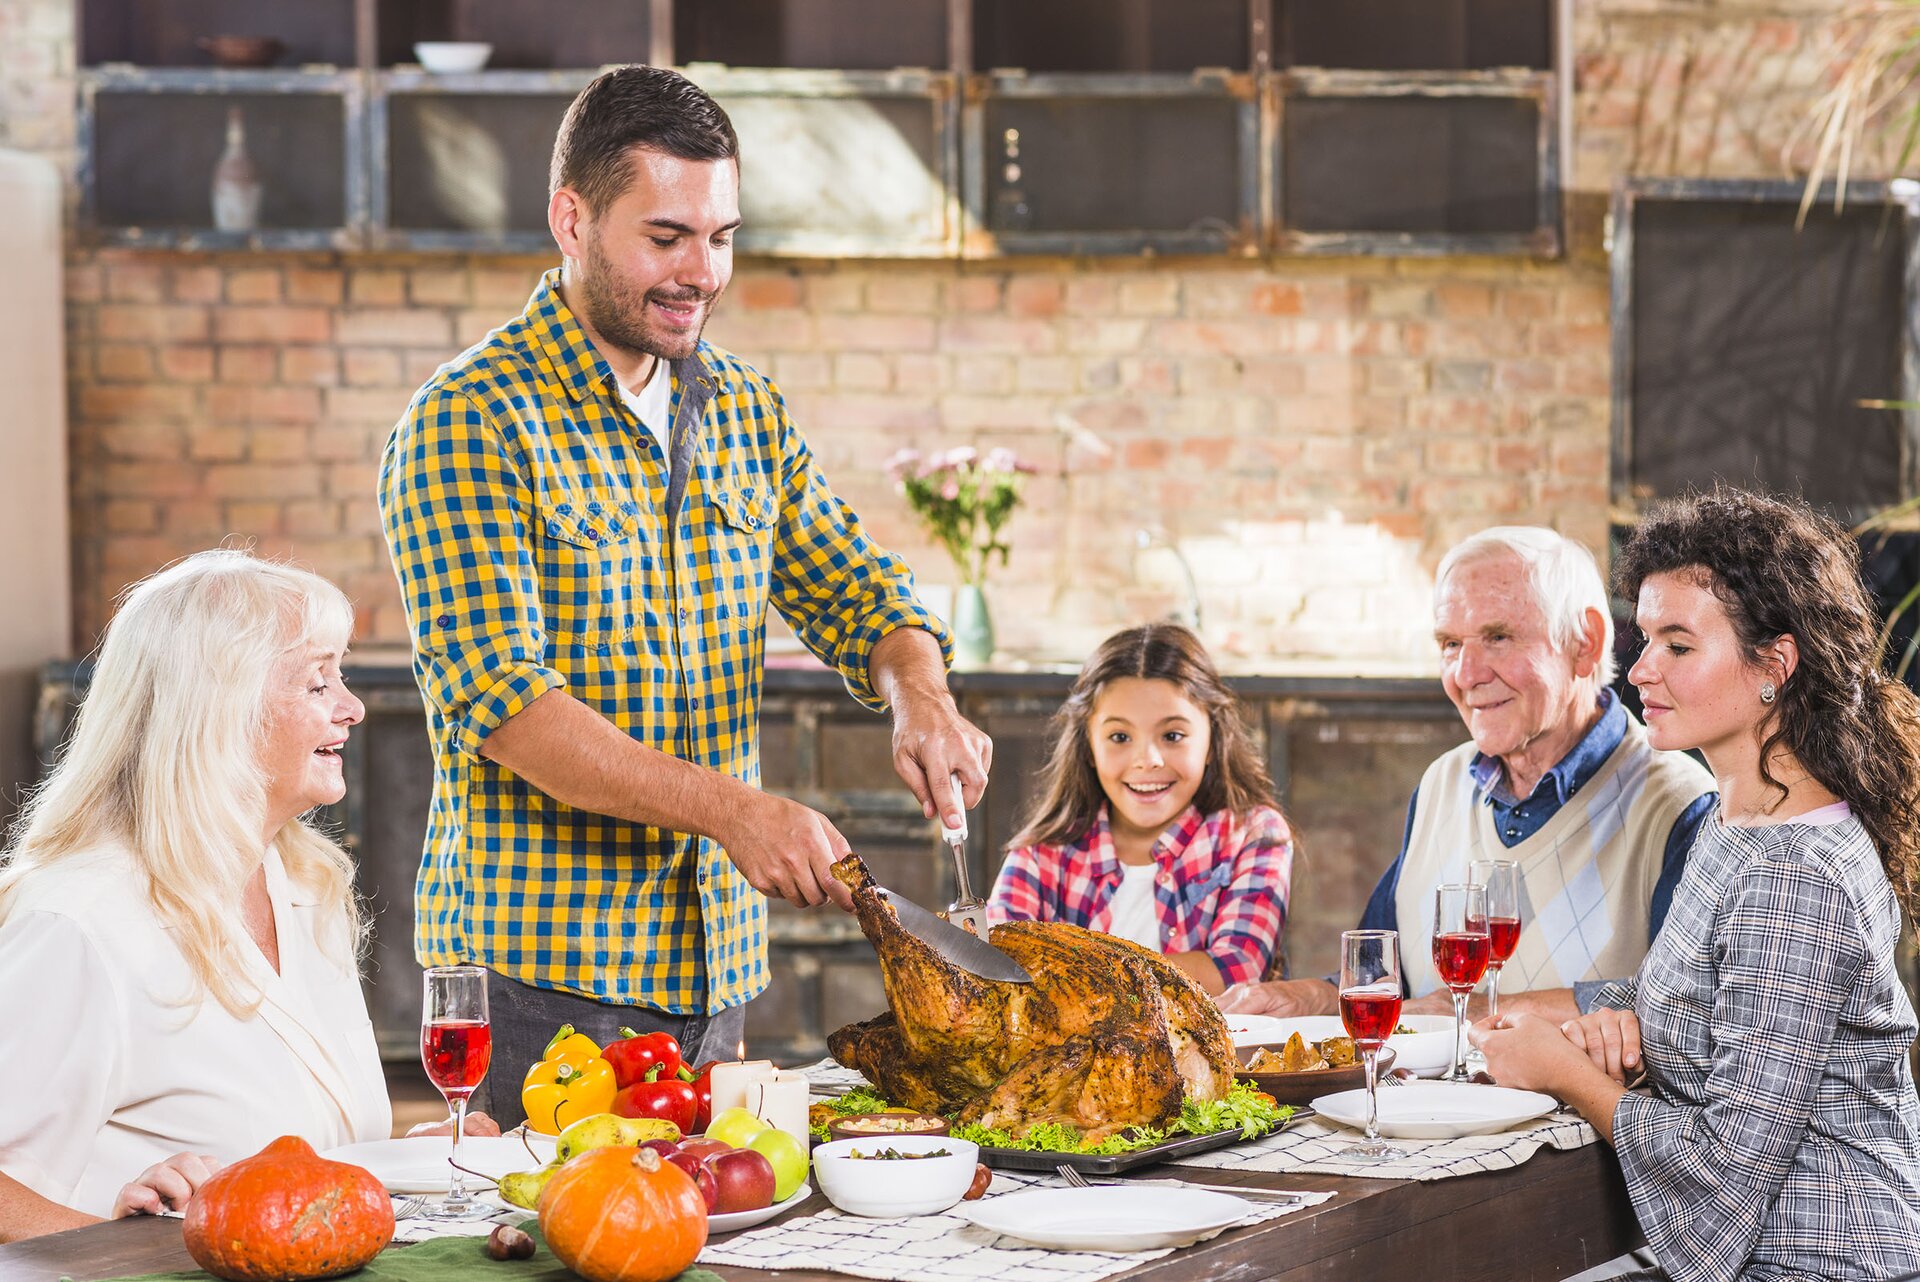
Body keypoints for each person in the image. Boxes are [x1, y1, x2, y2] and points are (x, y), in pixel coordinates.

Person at [378, 65, 990, 1126]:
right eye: (667, 237)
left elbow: (859, 587)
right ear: (572, 218)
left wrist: (920, 693)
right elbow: (508, 709)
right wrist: (736, 813)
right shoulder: (467, 423)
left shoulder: (743, 409)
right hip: (541, 986)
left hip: (713, 974)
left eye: (721, 236)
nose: (701, 272)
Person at [1474, 489, 1920, 1282]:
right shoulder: (1736, 816)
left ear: (1773, 667)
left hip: (1825, 1264)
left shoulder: (1793, 871)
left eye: (1679, 645)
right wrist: (1617, 1018)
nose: (1640, 669)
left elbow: (1723, 1173)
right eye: (1644, 639)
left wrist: (1563, 1071)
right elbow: (1727, 998)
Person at [0, 551, 494, 1243]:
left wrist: (405, 1160)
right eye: (319, 682)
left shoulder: (308, 889)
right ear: (218, 707)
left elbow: (295, 1149)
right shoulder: (78, 922)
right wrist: (117, 1241)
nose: (352, 708)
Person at [1219, 527, 1715, 1021]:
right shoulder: (1442, 781)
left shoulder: (1681, 806)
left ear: (1585, 642)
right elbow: (1393, 983)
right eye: (1451, 643)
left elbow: (1682, 1012)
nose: (1466, 673)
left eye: (1497, 637)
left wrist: (1475, 1013)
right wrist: (1310, 1000)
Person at [987, 624, 1293, 995]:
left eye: (1173, 736)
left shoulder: (1254, 834)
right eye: (1120, 737)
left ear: (1213, 740)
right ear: (1088, 746)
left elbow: (1234, 970)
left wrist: (1070, 979)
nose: (1147, 760)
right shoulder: (1039, 856)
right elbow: (997, 972)